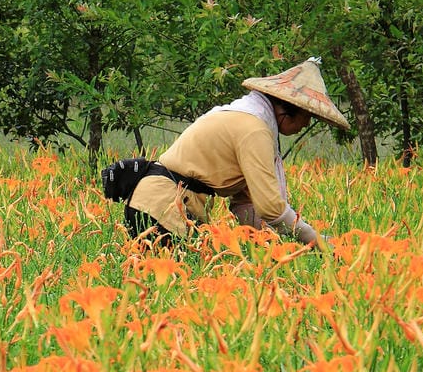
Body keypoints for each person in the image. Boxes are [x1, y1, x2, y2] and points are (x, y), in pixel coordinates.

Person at [126, 57, 350, 249]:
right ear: (289, 109)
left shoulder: (249, 119)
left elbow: (244, 205)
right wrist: (319, 242)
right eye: (307, 116)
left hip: (165, 205)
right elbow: (272, 210)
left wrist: (268, 249)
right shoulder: (254, 130)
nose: (307, 124)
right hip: (161, 209)